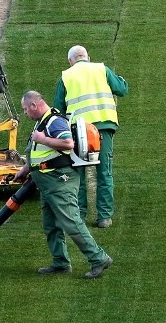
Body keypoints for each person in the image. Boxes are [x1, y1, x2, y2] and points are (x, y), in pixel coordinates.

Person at [13, 91, 113, 279]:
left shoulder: (54, 121)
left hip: (59, 181)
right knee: (50, 225)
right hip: (47, 183)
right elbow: (39, 152)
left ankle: (98, 258)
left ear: (34, 105)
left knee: (71, 221)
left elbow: (67, 142)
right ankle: (60, 262)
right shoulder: (42, 121)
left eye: (26, 109)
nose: (25, 113)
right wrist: (26, 169)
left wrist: (42, 139)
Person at [53, 45, 128, 228]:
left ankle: (79, 215)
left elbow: (58, 109)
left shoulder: (66, 76)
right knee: (104, 173)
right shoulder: (101, 69)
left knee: (78, 174)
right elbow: (122, 89)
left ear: (70, 61)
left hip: (78, 131)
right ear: (87, 57)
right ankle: (104, 217)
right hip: (103, 128)